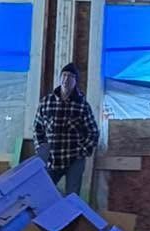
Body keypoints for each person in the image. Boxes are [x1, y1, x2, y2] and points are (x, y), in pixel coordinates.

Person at [33, 60, 100, 195]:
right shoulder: (46, 102)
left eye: (71, 76)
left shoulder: (82, 105)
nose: (66, 79)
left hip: (73, 160)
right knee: (43, 194)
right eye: (64, 75)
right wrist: (41, 148)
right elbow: (37, 127)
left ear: (75, 81)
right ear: (60, 78)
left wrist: (82, 151)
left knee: (72, 197)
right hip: (52, 159)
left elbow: (93, 132)